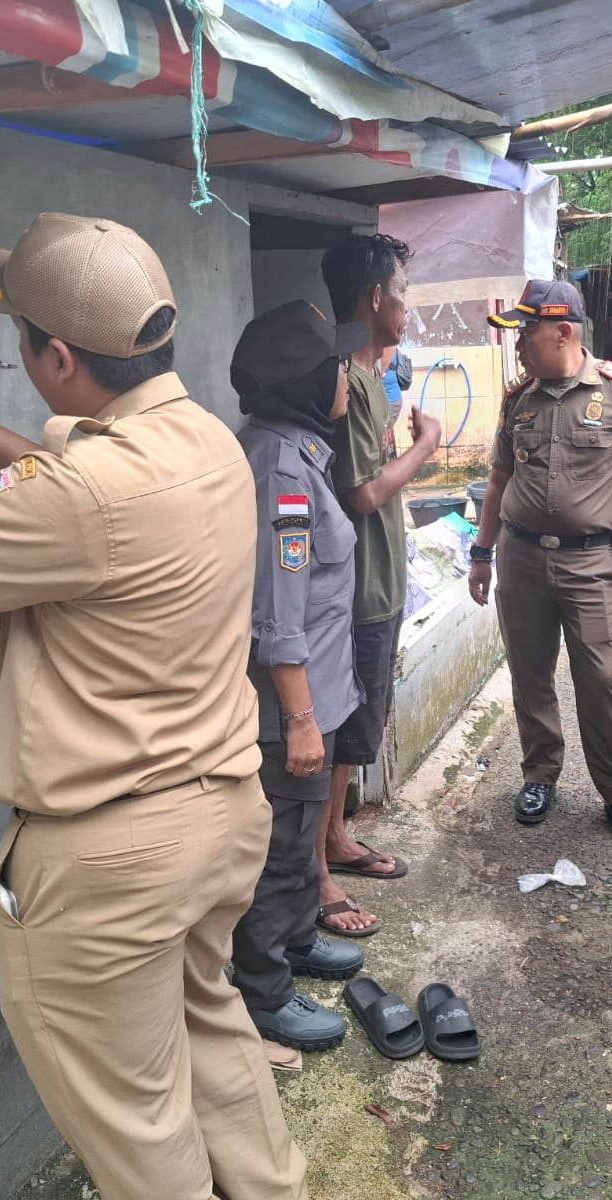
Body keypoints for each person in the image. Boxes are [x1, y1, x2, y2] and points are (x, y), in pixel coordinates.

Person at [0, 213, 306, 1200]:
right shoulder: (205, 439)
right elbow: (76, 501)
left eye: (20, 338)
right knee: (212, 1037)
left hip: (114, 859)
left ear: (55, 358)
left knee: (136, 1121)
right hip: (219, 816)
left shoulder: (84, 493)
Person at [468, 280, 612, 849]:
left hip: (588, 563)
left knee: (602, 679)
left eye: (526, 332)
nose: (518, 345)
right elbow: (498, 479)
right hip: (521, 557)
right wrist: (482, 553)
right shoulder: (518, 396)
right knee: (530, 672)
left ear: (562, 332)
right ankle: (539, 774)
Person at [230, 300, 369, 1052]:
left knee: (298, 834)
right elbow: (278, 613)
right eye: (336, 363)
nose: (347, 375)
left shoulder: (297, 449)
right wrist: (301, 720)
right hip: (293, 704)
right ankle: (265, 991)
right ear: (305, 380)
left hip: (318, 689)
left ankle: (296, 939)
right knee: (280, 846)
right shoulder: (283, 469)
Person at [316, 234, 442, 936]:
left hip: (381, 583)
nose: (406, 306)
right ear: (373, 297)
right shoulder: (345, 379)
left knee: (360, 726)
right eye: (401, 292)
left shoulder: (368, 374)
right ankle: (317, 868)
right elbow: (363, 492)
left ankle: (336, 836)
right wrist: (425, 445)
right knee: (341, 732)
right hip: (358, 589)